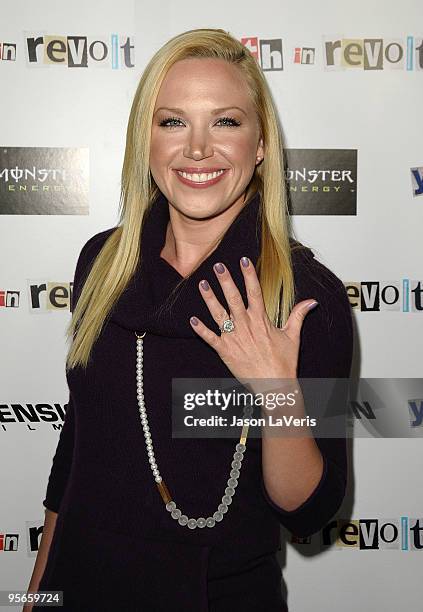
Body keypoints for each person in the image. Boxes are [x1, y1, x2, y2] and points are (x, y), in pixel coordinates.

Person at [25, 28, 353, 612]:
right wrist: (38, 596)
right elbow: (79, 448)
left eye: (225, 121)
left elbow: (308, 510)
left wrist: (276, 390)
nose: (197, 148)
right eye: (172, 121)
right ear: (144, 141)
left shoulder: (306, 297)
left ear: (260, 146)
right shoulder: (102, 263)